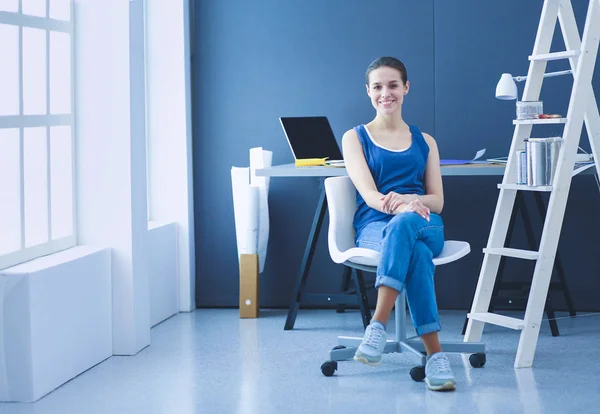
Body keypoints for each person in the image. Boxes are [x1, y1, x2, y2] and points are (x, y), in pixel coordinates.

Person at [341, 56, 456, 391]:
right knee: (417, 255)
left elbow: (438, 200)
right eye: (377, 86)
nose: (385, 93)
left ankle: (377, 324)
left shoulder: (426, 141)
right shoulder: (355, 137)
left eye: (393, 85)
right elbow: (369, 194)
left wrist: (411, 205)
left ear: (406, 88)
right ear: (368, 92)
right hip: (375, 227)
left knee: (408, 226)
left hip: (426, 222)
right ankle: (436, 356)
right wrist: (403, 206)